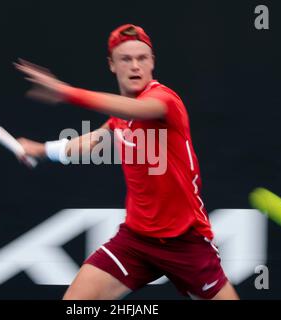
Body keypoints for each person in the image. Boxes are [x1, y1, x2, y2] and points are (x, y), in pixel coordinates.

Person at [14, 24, 239, 300]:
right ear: (112, 65)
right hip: (136, 240)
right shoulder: (119, 117)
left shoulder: (163, 100)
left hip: (185, 241)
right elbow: (88, 142)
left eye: (142, 58)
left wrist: (66, 92)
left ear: (152, 62)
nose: (135, 66)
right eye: (126, 59)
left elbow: (135, 109)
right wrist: (40, 149)